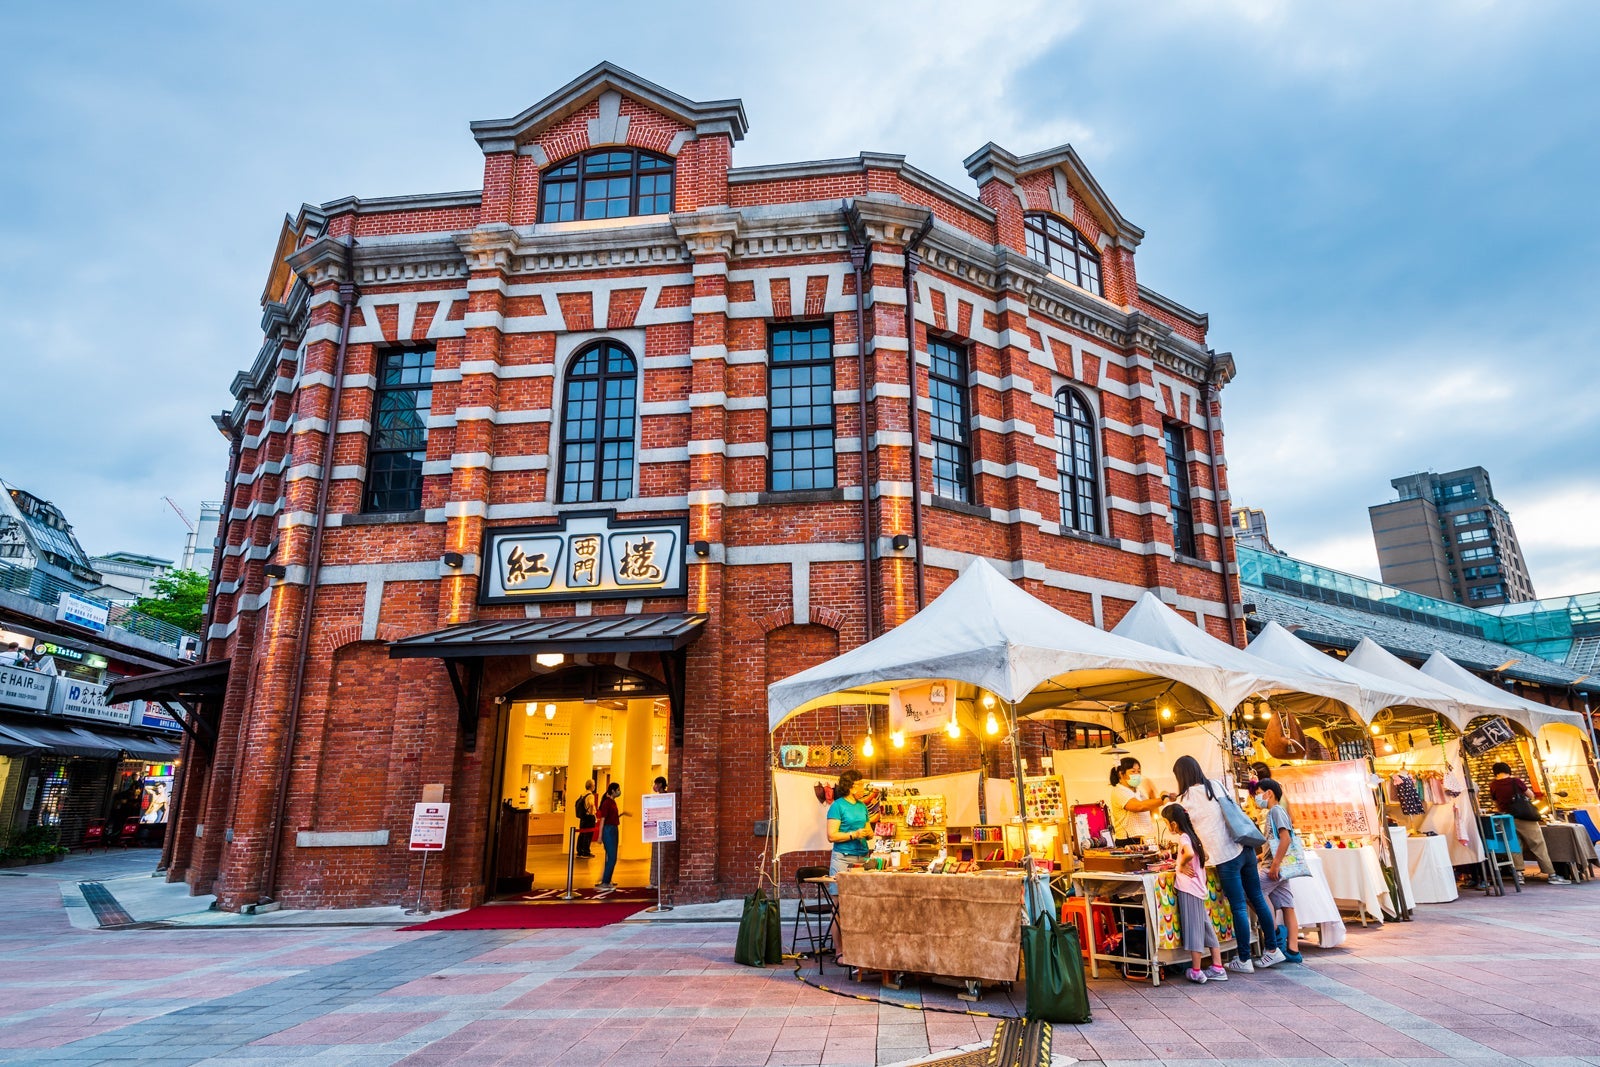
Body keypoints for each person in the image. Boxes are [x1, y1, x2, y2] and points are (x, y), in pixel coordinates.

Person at [1173, 754, 1282, 972]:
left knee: (1239, 906)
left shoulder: (1184, 800)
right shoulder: (1216, 785)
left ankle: (1243, 960)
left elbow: (1181, 826)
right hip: (1245, 847)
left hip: (1224, 856)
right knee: (1257, 898)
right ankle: (1273, 950)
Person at [1163, 803, 1227, 984]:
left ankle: (1196, 970)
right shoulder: (1193, 836)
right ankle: (1217, 966)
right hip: (1199, 888)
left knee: (1194, 930)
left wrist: (1182, 865)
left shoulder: (1184, 838)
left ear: (1174, 824)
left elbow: (1190, 853)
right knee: (1206, 928)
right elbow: (1204, 855)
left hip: (1188, 888)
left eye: (1167, 823)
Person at [1488, 762, 1569, 885]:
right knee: (1538, 845)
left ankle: (1519, 875)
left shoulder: (1493, 785)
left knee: (1515, 846)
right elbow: (1531, 796)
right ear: (1508, 770)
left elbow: (1496, 803)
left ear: (1495, 772)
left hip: (1507, 819)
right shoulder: (1515, 781)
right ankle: (1551, 874)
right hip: (1524, 817)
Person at [1252, 779, 1303, 963]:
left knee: (1252, 891)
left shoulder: (1276, 811)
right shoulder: (1274, 812)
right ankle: (1293, 950)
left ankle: (1275, 934)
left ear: (1269, 793)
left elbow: (1285, 838)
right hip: (1282, 866)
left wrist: (1275, 864)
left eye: (1259, 792)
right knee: (1288, 906)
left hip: (1275, 868)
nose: (1257, 797)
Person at [1108, 757, 1168, 844]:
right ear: (1121, 774)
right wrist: (1163, 800)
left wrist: (1152, 793)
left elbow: (1154, 813)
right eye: (1133, 771)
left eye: (1139, 771)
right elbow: (1139, 807)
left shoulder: (1138, 792)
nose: (1137, 774)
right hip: (1128, 842)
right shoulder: (1119, 791)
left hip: (1145, 840)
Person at [826, 770, 872, 876]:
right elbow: (831, 836)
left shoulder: (862, 806)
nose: (863, 788)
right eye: (860, 784)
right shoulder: (837, 806)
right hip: (843, 859)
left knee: (861, 892)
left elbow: (869, 831)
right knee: (840, 891)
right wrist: (855, 834)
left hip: (863, 857)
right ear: (850, 787)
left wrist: (869, 834)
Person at [595, 782, 629, 893]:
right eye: (618, 789)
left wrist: (622, 814)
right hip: (608, 830)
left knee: (611, 856)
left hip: (614, 829)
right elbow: (603, 820)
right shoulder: (607, 803)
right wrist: (600, 836)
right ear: (613, 791)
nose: (619, 792)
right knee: (612, 857)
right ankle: (605, 882)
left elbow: (611, 817)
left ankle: (607, 880)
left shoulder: (612, 802)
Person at [573, 779, 597, 858]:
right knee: (588, 834)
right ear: (591, 786)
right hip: (589, 818)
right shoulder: (590, 795)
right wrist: (591, 813)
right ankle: (586, 852)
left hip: (583, 817)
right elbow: (591, 804)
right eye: (594, 784)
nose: (594, 786)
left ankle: (580, 851)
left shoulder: (583, 794)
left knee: (582, 834)